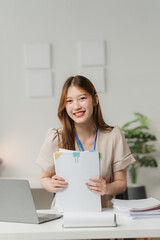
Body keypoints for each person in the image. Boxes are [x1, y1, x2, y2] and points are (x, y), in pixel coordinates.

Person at [36, 75, 136, 209]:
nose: (76, 106)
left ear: (95, 100)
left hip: (102, 213)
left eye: (82, 98)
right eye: (69, 101)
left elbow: (121, 183)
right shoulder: (56, 137)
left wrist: (105, 188)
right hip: (64, 214)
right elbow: (44, 178)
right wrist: (51, 185)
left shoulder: (113, 136)